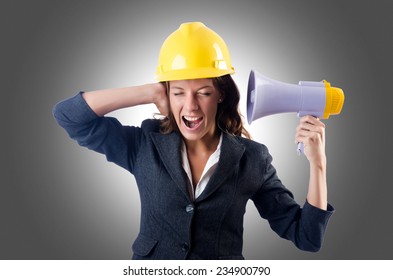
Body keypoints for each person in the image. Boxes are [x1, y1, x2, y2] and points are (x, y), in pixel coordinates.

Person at [53, 22, 334, 260]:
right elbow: (68, 116)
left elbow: (307, 237)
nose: (191, 106)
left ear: (220, 94)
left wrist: (318, 164)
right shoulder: (144, 145)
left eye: (203, 92)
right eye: (178, 93)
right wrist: (149, 92)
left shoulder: (253, 159)